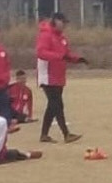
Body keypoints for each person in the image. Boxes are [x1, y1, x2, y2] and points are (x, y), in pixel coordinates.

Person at [36, 12, 85, 143]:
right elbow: (41, 53)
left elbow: (66, 54)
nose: (64, 25)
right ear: (55, 21)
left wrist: (77, 59)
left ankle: (44, 135)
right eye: (63, 22)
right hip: (47, 76)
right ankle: (66, 134)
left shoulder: (62, 38)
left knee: (52, 106)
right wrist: (59, 57)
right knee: (57, 105)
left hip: (58, 76)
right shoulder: (45, 35)